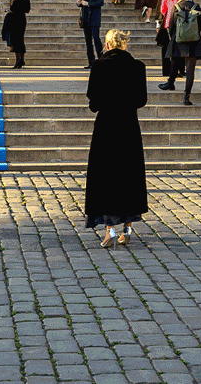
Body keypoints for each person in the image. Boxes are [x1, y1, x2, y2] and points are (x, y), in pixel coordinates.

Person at [84, 29, 149, 248]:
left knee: (106, 175)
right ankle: (128, 227)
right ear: (125, 44)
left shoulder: (100, 66)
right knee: (128, 175)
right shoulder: (138, 67)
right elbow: (141, 100)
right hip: (129, 126)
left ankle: (109, 230)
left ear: (108, 45)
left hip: (107, 127)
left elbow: (94, 102)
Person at [169, 0, 201, 105]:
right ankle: (186, 96)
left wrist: (174, 38)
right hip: (194, 41)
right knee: (190, 69)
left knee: (174, 61)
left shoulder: (176, 6)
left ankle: (170, 82)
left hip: (179, 40)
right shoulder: (196, 7)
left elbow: (171, 26)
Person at [153, 0, 184, 91]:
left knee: (171, 48)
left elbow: (162, 9)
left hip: (168, 24)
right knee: (179, 48)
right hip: (180, 23)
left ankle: (171, 73)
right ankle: (178, 71)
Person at [77, 0, 106, 67]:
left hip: (94, 18)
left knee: (96, 39)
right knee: (88, 41)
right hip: (85, 18)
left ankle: (101, 61)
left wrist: (88, 4)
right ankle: (91, 62)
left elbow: (100, 2)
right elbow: (81, 1)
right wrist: (79, 3)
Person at [2, 0, 30, 69]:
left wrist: (9, 11)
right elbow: (27, 9)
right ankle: (21, 59)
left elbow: (13, 8)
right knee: (21, 39)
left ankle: (18, 61)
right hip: (22, 19)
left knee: (15, 41)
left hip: (14, 20)